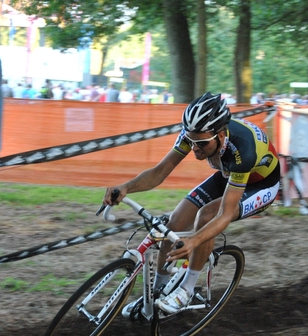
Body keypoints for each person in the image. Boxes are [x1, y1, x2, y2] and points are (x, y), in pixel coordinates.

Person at [102, 92, 280, 318]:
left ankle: (186, 290)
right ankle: (157, 292)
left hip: (260, 185)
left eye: (202, 143)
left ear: (221, 135)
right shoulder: (196, 133)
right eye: (191, 141)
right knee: (175, 222)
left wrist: (194, 240)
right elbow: (159, 172)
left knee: (206, 217)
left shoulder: (242, 150)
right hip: (229, 174)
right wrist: (127, 187)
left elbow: (224, 216)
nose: (195, 149)